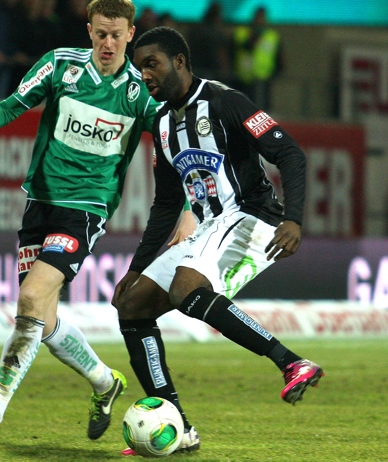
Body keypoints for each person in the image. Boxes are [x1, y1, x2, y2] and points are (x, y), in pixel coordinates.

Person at [112, 26, 324, 455]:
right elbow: (167, 202)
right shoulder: (163, 123)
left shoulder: (226, 101)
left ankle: (291, 363)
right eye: (139, 68)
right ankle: (177, 424)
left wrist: (294, 219)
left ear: (180, 62)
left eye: (151, 64)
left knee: (187, 289)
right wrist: (136, 267)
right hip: (209, 226)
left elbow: (290, 154)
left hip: (252, 216)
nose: (145, 74)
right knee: (131, 305)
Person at [0, 0, 161, 443]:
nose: (108, 43)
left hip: (86, 208)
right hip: (41, 202)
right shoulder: (59, 67)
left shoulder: (140, 92)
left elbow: (169, 134)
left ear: (130, 35)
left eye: (116, 35)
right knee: (42, 320)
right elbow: (13, 104)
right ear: (89, 31)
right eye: (100, 34)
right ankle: (106, 382)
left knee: (30, 298)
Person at [233, 6, 283, 110]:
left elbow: (279, 57)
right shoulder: (242, 33)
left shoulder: (272, 36)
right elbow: (244, 47)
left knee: (261, 111)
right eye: (257, 17)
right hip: (244, 79)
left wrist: (275, 74)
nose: (259, 21)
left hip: (263, 80)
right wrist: (254, 36)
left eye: (262, 18)